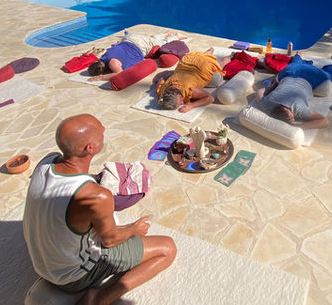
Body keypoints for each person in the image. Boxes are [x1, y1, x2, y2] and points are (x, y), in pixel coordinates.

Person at [23, 114, 176, 304]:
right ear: (90, 148)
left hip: (43, 265)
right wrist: (133, 230)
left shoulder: (47, 162)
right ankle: (101, 298)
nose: (104, 129)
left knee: (104, 225)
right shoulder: (96, 196)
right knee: (167, 248)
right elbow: (110, 241)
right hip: (74, 276)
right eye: (100, 129)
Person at [254, 52, 332, 130]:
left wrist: (300, 127)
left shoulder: (298, 109)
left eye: (292, 118)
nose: (294, 119)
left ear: (288, 111)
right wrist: (271, 86)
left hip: (311, 76)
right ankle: (298, 56)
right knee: (296, 64)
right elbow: (259, 92)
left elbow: (324, 121)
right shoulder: (266, 104)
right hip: (290, 72)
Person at [154, 48, 231, 113]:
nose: (182, 102)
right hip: (188, 60)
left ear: (177, 94)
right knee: (201, 57)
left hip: (204, 66)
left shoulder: (189, 89)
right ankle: (208, 52)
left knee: (219, 71)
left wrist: (192, 105)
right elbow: (160, 79)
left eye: (180, 101)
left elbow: (210, 98)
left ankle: (231, 56)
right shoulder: (162, 90)